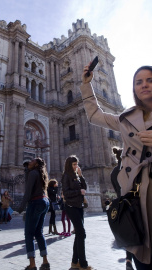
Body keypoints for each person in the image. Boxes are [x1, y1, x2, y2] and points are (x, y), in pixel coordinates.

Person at [80, 64, 152, 269]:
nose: (144, 85)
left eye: (150, 80)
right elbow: (95, 116)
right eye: (139, 82)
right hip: (136, 200)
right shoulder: (126, 118)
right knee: (143, 257)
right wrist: (86, 85)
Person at [18, 157, 50, 270]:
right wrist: (27, 170)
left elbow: (28, 191)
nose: (29, 162)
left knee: (29, 234)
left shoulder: (33, 174)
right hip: (44, 201)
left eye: (32, 161)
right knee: (39, 233)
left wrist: (21, 207)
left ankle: (32, 264)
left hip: (35, 202)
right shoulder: (42, 174)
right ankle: (45, 262)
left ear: (36, 164)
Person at [62, 155, 93, 270]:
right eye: (74, 165)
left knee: (79, 235)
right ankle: (83, 264)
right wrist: (78, 191)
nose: (76, 166)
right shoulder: (66, 176)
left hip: (79, 206)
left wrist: (81, 176)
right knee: (81, 234)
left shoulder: (76, 176)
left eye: (77, 164)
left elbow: (84, 187)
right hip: (71, 207)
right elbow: (66, 193)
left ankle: (75, 262)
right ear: (69, 165)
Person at [111, 147, 134, 270]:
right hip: (134, 204)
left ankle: (128, 259)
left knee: (130, 234)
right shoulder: (131, 168)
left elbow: (116, 189)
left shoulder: (114, 172)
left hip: (122, 206)